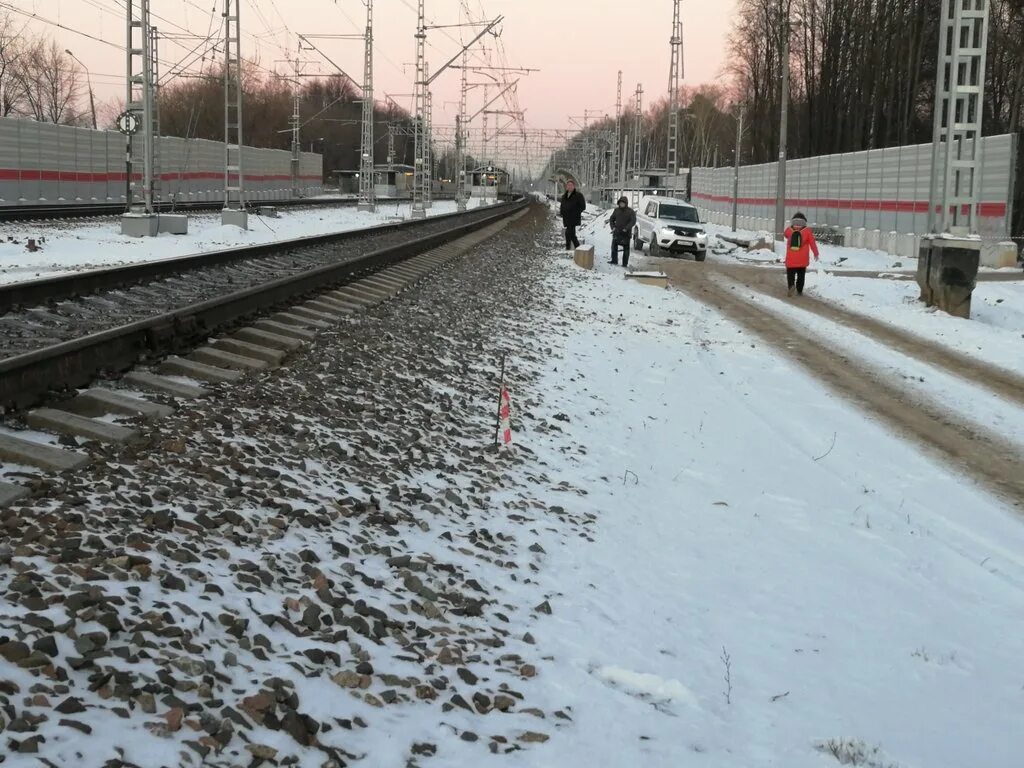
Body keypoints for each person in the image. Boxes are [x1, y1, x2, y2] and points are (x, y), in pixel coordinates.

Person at [783, 212, 819, 296]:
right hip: (803, 259)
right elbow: (812, 243)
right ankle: (799, 290)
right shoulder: (807, 231)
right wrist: (816, 253)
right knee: (801, 276)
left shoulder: (789, 230)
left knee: (790, 274)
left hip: (791, 259)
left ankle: (791, 286)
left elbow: (785, 235)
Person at [607, 196, 636, 267]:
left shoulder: (630, 211)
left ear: (626, 203)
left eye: (623, 203)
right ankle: (614, 260)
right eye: (620, 203)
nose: (621, 204)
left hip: (626, 233)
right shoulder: (616, 210)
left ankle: (624, 263)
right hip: (617, 231)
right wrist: (613, 227)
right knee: (614, 246)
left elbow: (633, 221)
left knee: (626, 248)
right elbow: (611, 219)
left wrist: (627, 228)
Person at [559, 180, 586, 251]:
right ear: (566, 187)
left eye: (571, 185)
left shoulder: (578, 195)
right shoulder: (564, 196)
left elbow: (583, 206)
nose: (569, 186)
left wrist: (576, 212)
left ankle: (578, 249)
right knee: (568, 233)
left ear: (574, 186)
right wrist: (561, 212)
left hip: (574, 218)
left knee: (570, 234)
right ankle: (569, 248)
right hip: (566, 218)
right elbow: (562, 205)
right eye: (568, 185)